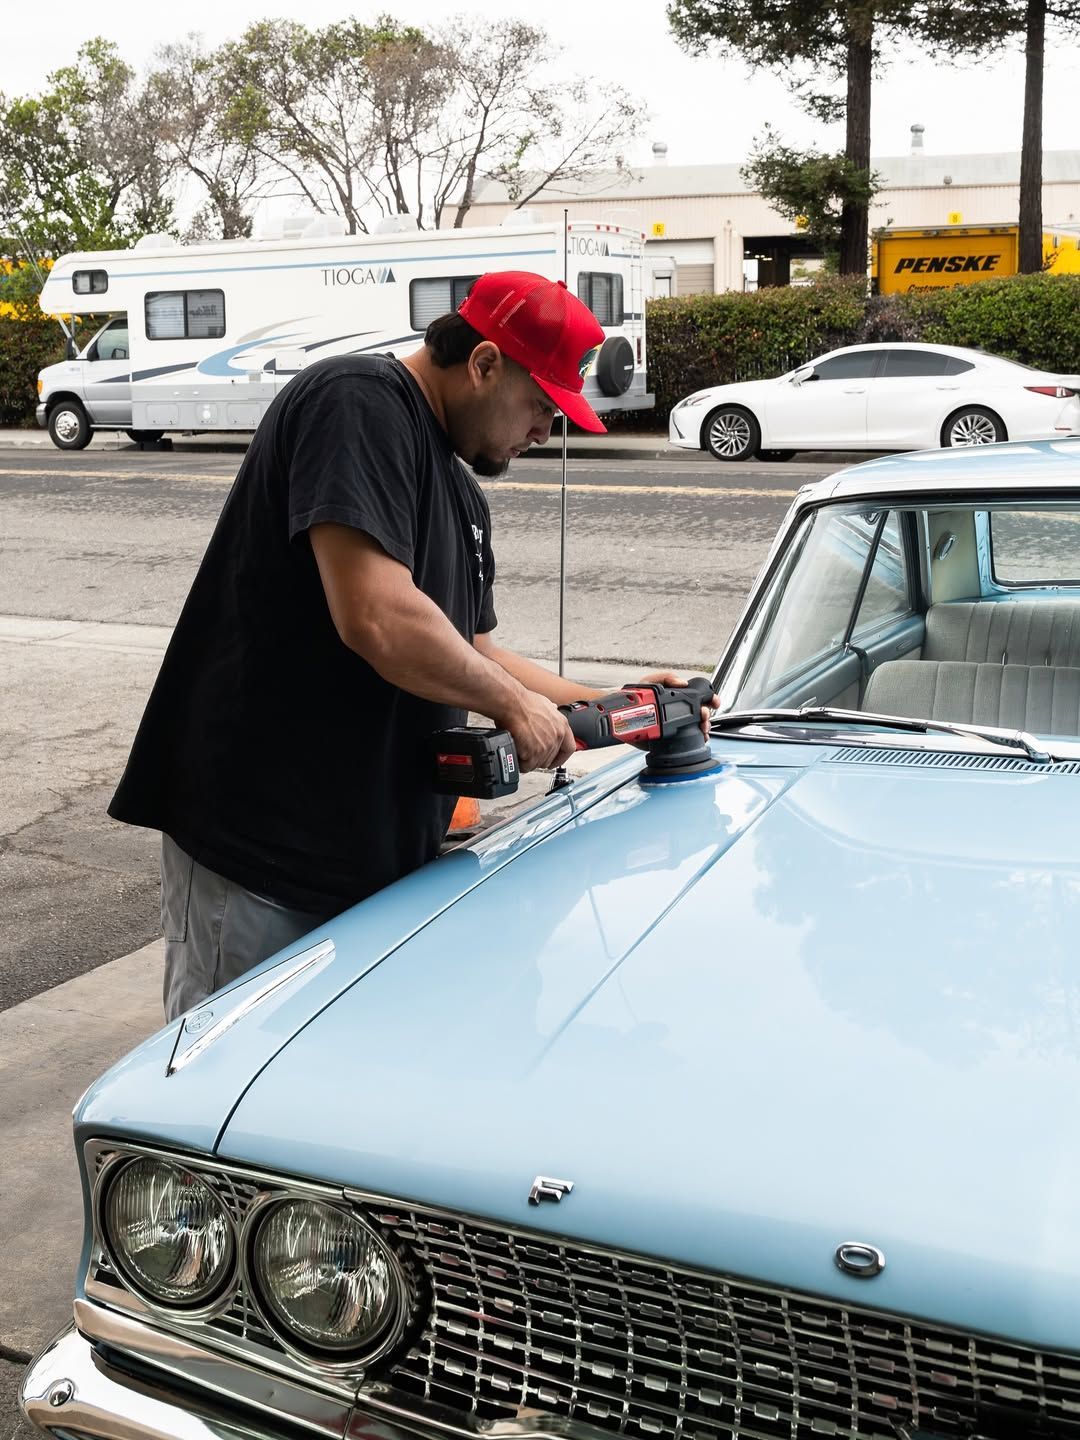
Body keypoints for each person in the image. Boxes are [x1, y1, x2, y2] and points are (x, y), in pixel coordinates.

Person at [108, 270, 715, 1021]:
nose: (542, 433)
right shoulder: (354, 403)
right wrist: (513, 709)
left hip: (369, 862)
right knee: (234, 1096)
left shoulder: (458, 490)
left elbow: (475, 654)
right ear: (485, 363)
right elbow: (378, 616)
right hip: (264, 857)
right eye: (539, 406)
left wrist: (609, 701)